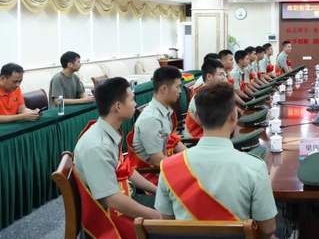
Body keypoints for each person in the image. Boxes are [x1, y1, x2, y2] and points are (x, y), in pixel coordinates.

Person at [155, 82, 277, 238]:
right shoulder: (255, 168)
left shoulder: (168, 167)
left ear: (198, 118)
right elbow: (267, 228)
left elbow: (167, 223)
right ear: (234, 116)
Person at [74, 77, 160, 238]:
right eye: (132, 99)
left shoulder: (107, 132)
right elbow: (111, 200)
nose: (135, 104)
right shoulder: (97, 146)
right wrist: (157, 217)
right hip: (110, 216)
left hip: (125, 197)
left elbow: (126, 170)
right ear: (118, 106)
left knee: (173, 204)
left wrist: (157, 190)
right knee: (174, 215)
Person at [129, 66, 186, 182]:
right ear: (164, 89)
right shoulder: (151, 119)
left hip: (165, 166)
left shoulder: (164, 111)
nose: (180, 91)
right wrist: (185, 166)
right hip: (153, 175)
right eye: (177, 87)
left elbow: (172, 142)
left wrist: (192, 157)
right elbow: (157, 160)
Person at [184, 59, 232, 139]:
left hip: (212, 133)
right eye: (221, 74)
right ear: (209, 76)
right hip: (196, 136)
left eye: (224, 75)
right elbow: (208, 126)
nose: (224, 78)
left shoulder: (215, 92)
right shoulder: (201, 97)